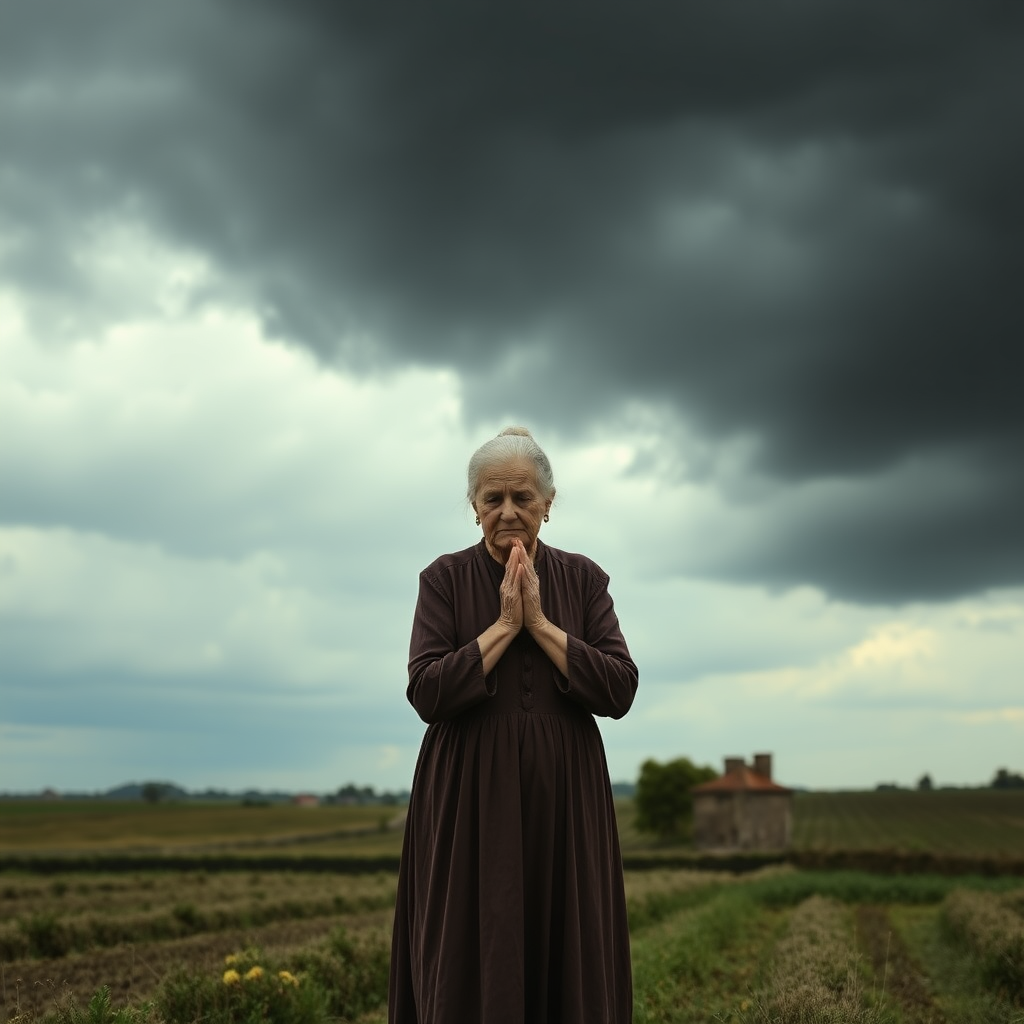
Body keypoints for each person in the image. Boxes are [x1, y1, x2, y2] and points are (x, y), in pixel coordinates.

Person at [388, 426, 638, 1024]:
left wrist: (543, 626)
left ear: (549, 504)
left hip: (565, 797)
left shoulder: (583, 579)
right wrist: (503, 626)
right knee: (475, 934)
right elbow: (426, 691)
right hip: (467, 797)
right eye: (492, 499)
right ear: (473, 507)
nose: (508, 513)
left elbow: (620, 689)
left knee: (567, 937)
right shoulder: (443, 579)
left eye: (522, 498)